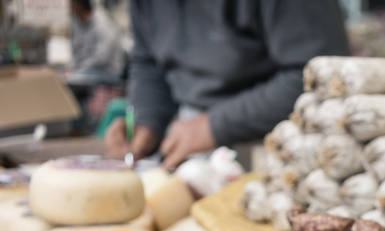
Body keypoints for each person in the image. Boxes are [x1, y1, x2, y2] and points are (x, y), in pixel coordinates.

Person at [105, 0, 350, 170]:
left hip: (283, 151)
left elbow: (317, 75)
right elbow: (149, 61)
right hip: (189, 147)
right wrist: (147, 120)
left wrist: (213, 126)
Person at [65, 0, 126, 128]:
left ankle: (86, 123)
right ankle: (76, 121)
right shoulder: (78, 24)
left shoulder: (102, 24)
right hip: (87, 69)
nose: (69, 9)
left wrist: (79, 69)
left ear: (80, 6)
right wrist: (70, 67)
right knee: (65, 78)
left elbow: (102, 57)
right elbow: (76, 54)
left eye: (72, 5)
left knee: (74, 80)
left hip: (108, 71)